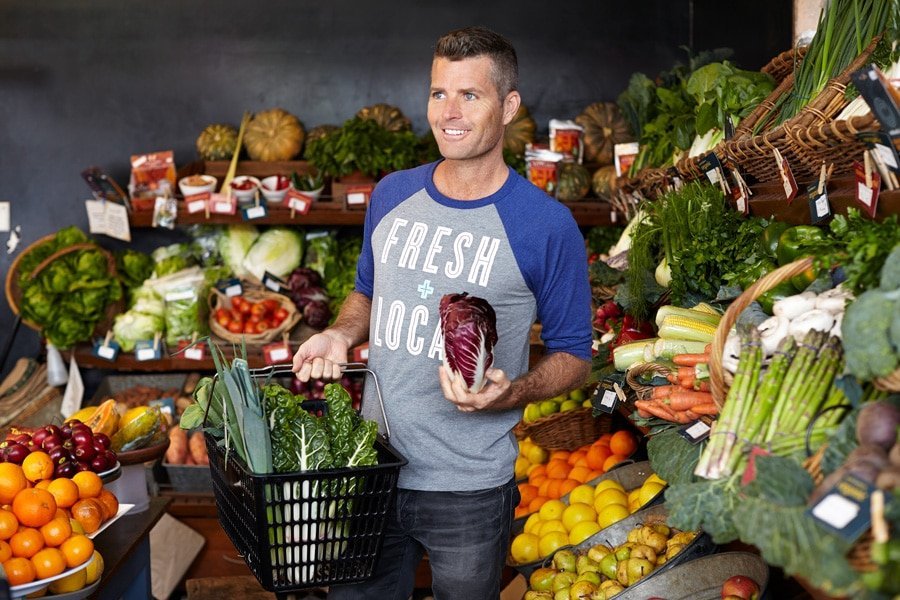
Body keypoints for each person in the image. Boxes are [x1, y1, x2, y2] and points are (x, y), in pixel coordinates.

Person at [292, 25, 592, 600]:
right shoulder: (391, 194)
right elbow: (366, 294)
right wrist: (339, 335)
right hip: (369, 469)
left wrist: (511, 393)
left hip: (469, 489)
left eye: (469, 96)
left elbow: (576, 357)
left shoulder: (545, 225)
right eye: (438, 94)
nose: (448, 113)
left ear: (508, 107)